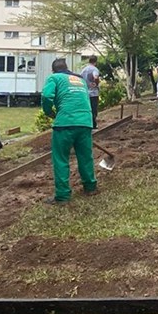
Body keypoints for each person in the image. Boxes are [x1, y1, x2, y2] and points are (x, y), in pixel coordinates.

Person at [41, 58, 98, 205]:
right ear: (67, 68)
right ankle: (90, 187)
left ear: (53, 70)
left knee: (61, 159)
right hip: (85, 121)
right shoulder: (79, 80)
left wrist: (49, 112)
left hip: (65, 123)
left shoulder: (54, 78)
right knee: (85, 156)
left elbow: (47, 96)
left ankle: (63, 195)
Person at [80, 55, 101, 129]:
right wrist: (96, 83)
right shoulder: (94, 69)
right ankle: (93, 125)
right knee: (93, 109)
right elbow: (95, 77)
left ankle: (86, 124)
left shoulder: (83, 70)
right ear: (95, 62)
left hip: (85, 92)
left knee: (86, 109)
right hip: (93, 93)